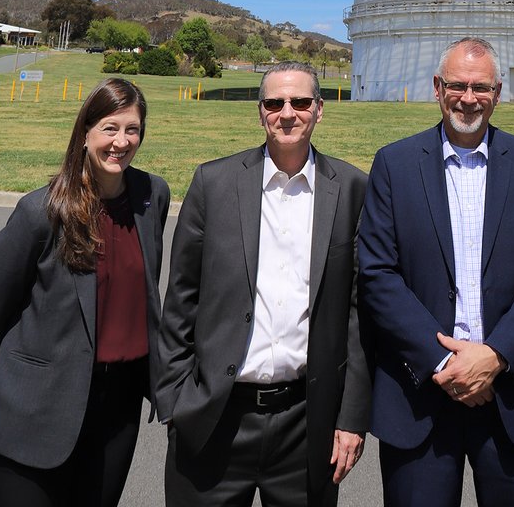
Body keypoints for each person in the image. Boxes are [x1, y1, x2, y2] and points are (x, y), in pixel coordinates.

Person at [358, 36, 514, 507]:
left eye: (480, 88)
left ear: (497, 92)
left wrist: (493, 356)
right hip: (420, 397)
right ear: (438, 87)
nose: (468, 98)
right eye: (457, 85)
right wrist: (446, 364)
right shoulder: (394, 164)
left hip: (511, 395)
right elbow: (378, 273)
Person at [157, 61, 368, 507]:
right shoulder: (213, 183)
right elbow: (181, 300)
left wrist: (351, 418)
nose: (287, 113)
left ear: (319, 110)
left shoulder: (352, 189)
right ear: (260, 112)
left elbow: (358, 315)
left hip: (305, 424)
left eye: (300, 102)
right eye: (274, 102)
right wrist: (176, 399)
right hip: (214, 417)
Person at [0, 77, 170, 507]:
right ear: (85, 135)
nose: (121, 141)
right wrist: (11, 389)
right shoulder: (41, 212)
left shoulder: (152, 197)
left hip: (117, 411)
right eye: (110, 128)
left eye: (132, 129)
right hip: (33, 410)